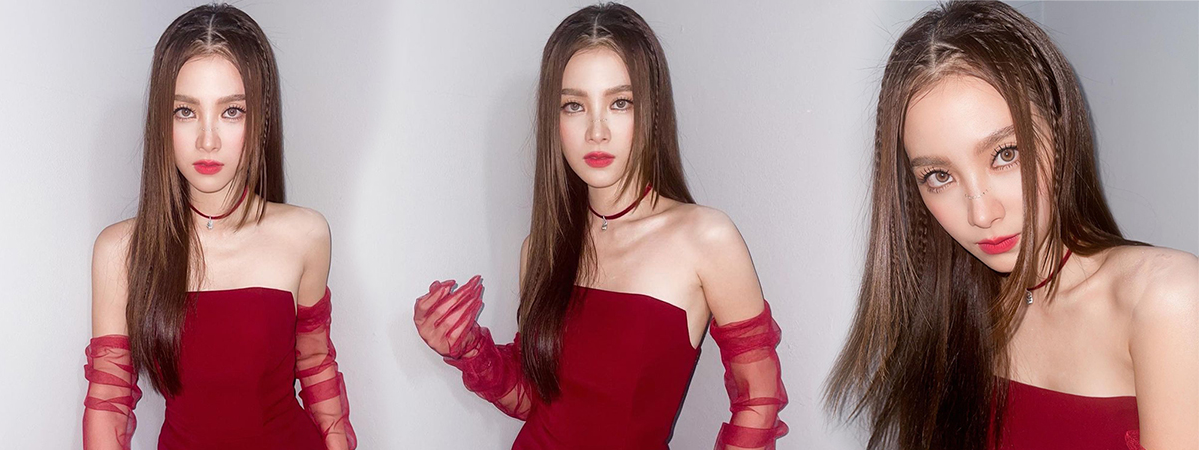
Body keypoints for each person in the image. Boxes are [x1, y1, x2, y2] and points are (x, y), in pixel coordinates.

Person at [825, 2, 1198, 450]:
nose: (982, 215)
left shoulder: (1165, 299)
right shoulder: (949, 321)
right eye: (939, 176)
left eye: (1006, 154)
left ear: (1060, 131)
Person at [413, 4, 787, 449]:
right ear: (554, 120)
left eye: (620, 102)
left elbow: (757, 402)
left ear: (651, 110)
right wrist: (467, 346)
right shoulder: (541, 248)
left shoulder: (706, 238)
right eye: (574, 105)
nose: (596, 131)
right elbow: (537, 399)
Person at [83, 5, 355, 449]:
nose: (207, 140)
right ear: (162, 121)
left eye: (231, 111)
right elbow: (108, 403)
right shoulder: (121, 251)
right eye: (185, 111)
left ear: (261, 119)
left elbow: (316, 363)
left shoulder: (306, 235)